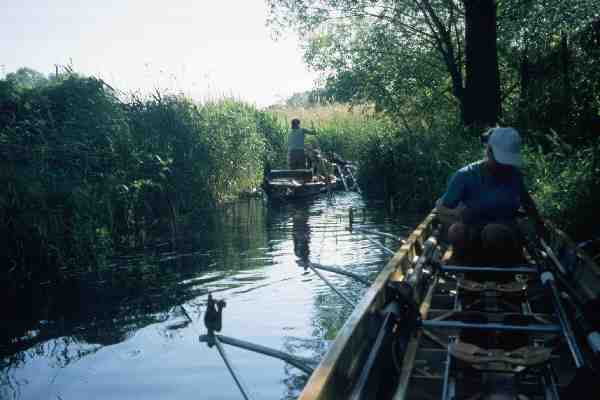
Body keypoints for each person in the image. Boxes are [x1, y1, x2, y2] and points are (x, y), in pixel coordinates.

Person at [436, 127, 546, 262]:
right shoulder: (464, 176)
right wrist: (457, 215)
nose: (504, 167)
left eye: (507, 162)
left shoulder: (515, 175)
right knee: (456, 230)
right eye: (500, 161)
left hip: (504, 233)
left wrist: (539, 226)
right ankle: (462, 266)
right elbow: (442, 208)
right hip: (473, 231)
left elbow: (528, 205)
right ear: (489, 152)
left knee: (493, 232)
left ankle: (501, 269)